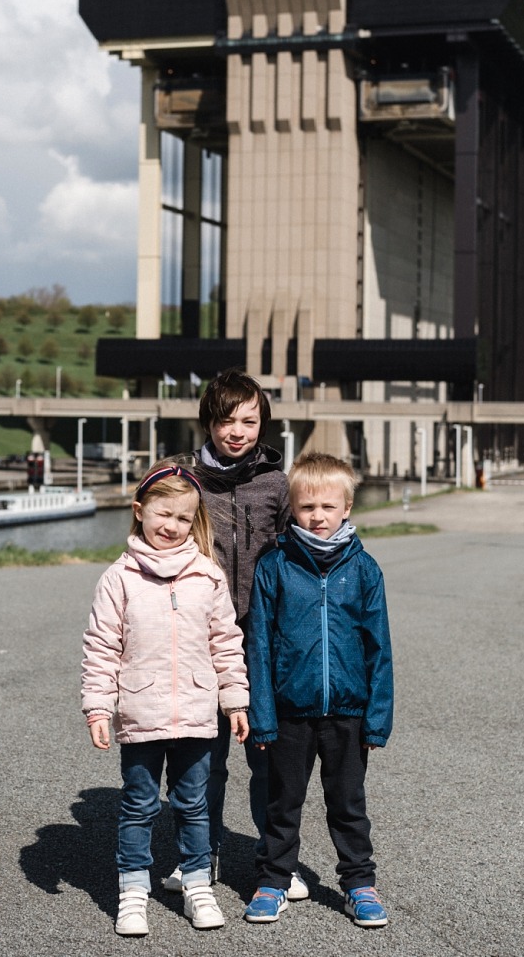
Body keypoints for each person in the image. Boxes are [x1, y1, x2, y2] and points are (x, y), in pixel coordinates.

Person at [81, 465, 250, 936]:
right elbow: (101, 646)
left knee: (192, 803)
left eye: (183, 517)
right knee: (138, 805)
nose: (171, 525)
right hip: (140, 713)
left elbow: (226, 643)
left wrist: (236, 701)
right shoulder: (119, 578)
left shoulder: (207, 575)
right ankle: (133, 891)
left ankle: (198, 884)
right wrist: (99, 706)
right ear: (139, 512)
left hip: (198, 713)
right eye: (163, 513)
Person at [158, 369, 296, 896]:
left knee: (266, 757)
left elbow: (295, 560)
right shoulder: (185, 478)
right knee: (202, 760)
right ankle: (201, 855)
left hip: (262, 641)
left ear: (262, 422)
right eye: (225, 420)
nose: (236, 431)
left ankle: (273, 861)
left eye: (249, 420)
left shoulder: (276, 485)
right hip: (199, 640)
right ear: (208, 422)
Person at [243, 452, 394, 929]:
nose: (318, 516)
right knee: (282, 802)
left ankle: (359, 885)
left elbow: (379, 648)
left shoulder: (364, 569)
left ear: (347, 506)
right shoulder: (275, 567)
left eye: (328, 507)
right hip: (289, 712)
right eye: (307, 507)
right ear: (293, 507)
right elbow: (259, 646)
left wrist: (377, 716)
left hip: (348, 712)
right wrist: (262, 715)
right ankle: (273, 881)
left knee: (348, 804)